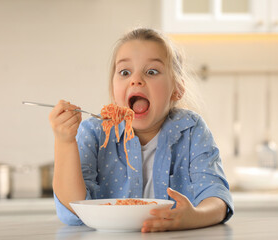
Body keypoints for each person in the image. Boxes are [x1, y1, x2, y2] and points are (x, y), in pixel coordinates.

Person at [49, 28, 234, 232]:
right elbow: (75, 206)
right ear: (113, 89)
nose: (135, 80)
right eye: (125, 72)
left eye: (152, 72)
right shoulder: (94, 133)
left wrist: (194, 217)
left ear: (177, 89)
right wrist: (64, 142)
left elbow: (217, 197)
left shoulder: (191, 130)